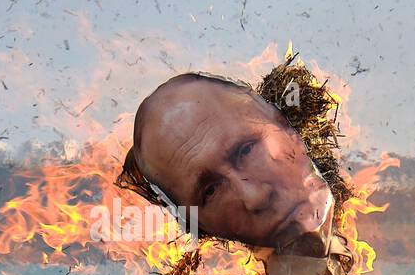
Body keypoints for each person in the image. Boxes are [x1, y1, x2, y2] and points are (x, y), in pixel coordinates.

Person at [122, 72, 335, 249]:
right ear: (198, 224)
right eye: (211, 191)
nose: (256, 198)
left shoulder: (366, 187)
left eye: (246, 151)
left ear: (285, 127)